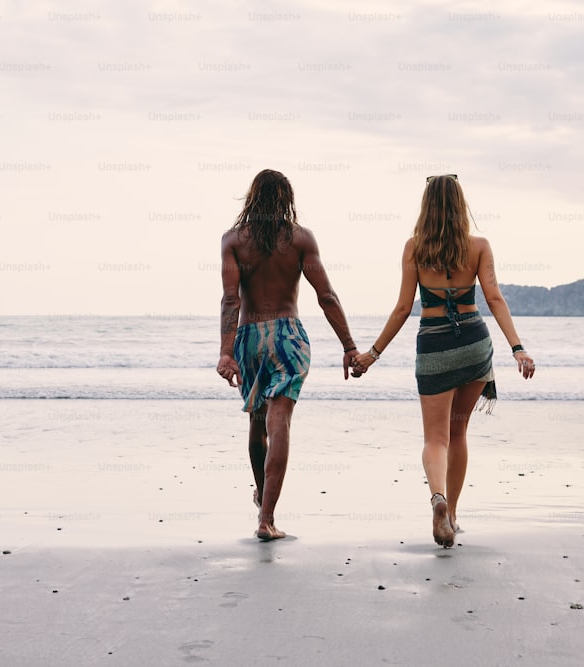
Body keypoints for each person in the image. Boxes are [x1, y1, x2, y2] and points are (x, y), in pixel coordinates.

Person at [352, 174, 536, 548]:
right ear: (460, 204)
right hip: (473, 342)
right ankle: (451, 514)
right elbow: (495, 298)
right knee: (458, 432)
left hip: (434, 345)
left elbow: (404, 307)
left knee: (435, 438)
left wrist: (372, 354)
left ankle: (437, 498)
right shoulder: (479, 246)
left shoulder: (414, 248)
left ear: (426, 205)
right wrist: (518, 348)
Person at [217, 169, 358, 541]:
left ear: (252, 198)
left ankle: (263, 499)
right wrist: (349, 346)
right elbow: (326, 295)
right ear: (287, 199)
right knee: (279, 421)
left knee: (256, 422)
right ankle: (266, 518)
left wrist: (226, 353)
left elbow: (231, 299)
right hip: (288, 337)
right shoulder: (300, 240)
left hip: (249, 337)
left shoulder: (233, 240)